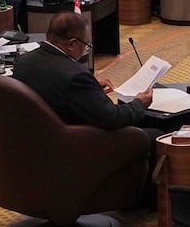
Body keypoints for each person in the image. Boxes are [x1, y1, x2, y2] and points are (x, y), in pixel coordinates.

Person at [11, 12, 156, 137]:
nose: (86, 49)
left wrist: (92, 88)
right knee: (157, 134)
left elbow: (56, 90)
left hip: (33, 138)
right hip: (74, 146)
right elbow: (113, 119)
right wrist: (139, 104)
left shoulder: (23, 61)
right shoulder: (76, 76)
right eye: (86, 44)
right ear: (71, 44)